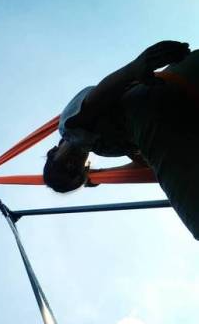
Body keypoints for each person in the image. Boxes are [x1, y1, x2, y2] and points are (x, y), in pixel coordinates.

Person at [43, 40, 199, 239]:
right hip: (182, 92)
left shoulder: (68, 129)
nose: (73, 164)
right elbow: (145, 164)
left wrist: (135, 68)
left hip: (156, 103)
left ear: (52, 153)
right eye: (76, 171)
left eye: (63, 167)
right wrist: (102, 173)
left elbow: (96, 99)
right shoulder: (107, 147)